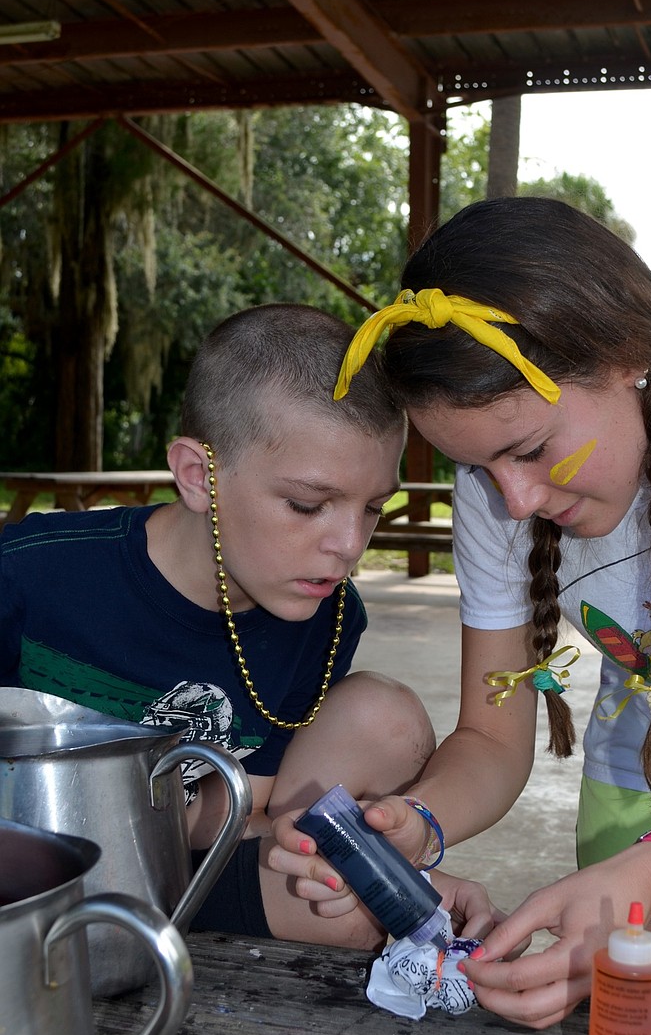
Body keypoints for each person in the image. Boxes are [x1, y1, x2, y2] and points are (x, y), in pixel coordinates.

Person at [317, 195, 651, 1028]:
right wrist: (415, 824)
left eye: (530, 450)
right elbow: (492, 738)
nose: (515, 497)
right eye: (479, 467)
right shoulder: (496, 490)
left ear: (628, 356)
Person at [0, 302, 498, 948]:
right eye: (307, 504)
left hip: (173, 872)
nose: (348, 544)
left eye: (373, 507)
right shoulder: (32, 573)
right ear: (197, 475)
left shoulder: (327, 615)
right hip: (24, 880)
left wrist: (384, 870)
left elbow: (246, 812)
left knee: (373, 873)